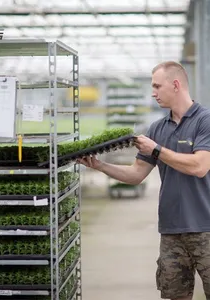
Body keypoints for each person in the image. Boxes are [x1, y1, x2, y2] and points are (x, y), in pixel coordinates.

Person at [77, 61, 210, 300]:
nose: (153, 92)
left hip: (206, 229)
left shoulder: (205, 120)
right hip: (171, 232)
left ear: (176, 85)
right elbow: (136, 174)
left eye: (157, 86)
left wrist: (157, 150)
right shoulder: (157, 128)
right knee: (175, 296)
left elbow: (200, 167)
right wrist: (100, 165)